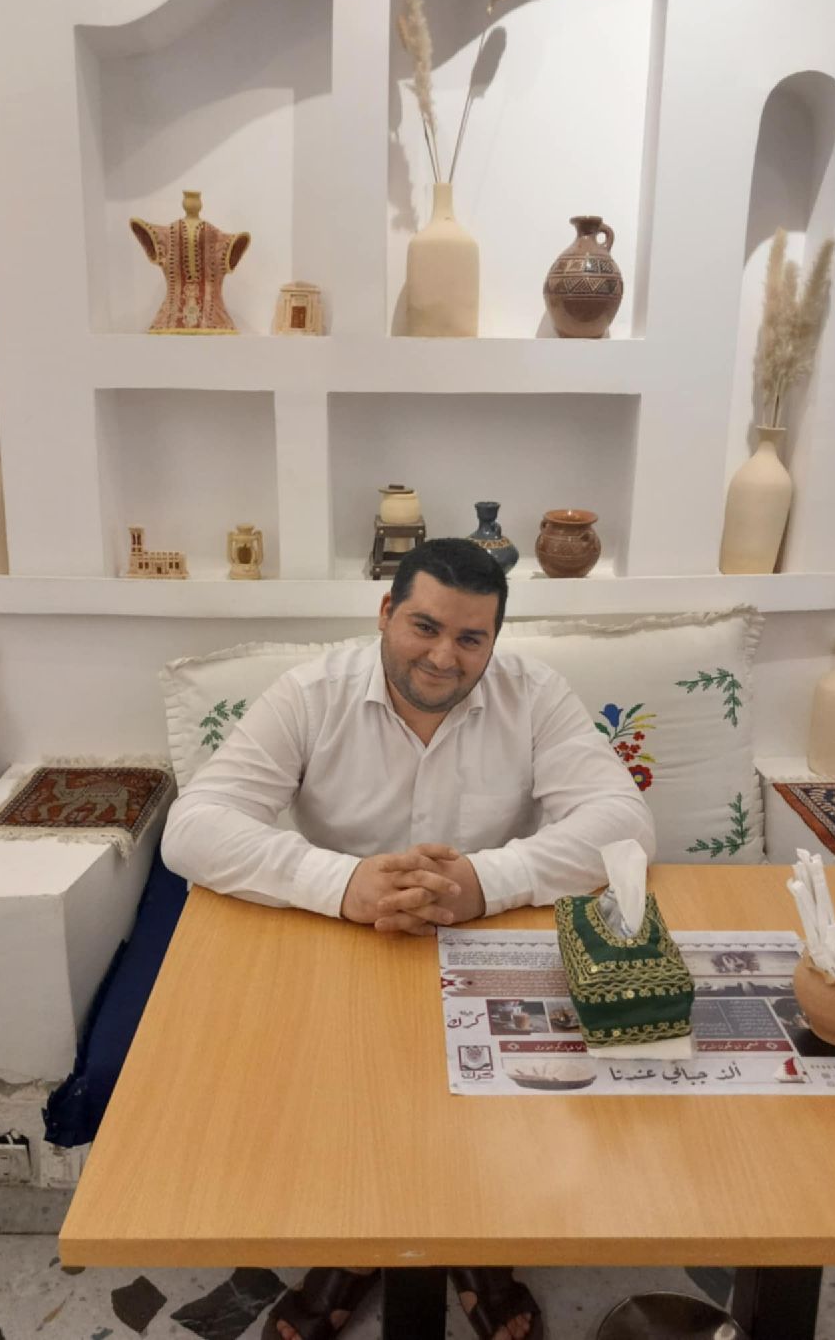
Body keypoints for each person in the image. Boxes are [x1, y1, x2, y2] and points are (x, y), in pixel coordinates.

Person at [162, 538, 656, 1340]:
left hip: (483, 941)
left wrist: (485, 879)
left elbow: (624, 821)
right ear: (386, 612)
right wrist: (343, 883)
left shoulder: (535, 694)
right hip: (339, 942)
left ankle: (476, 1241)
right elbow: (193, 828)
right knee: (338, 1097)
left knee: (510, 1087)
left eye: (470, 638)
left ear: (494, 639)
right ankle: (354, 1243)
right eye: (424, 626)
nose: (443, 656)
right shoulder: (310, 693)